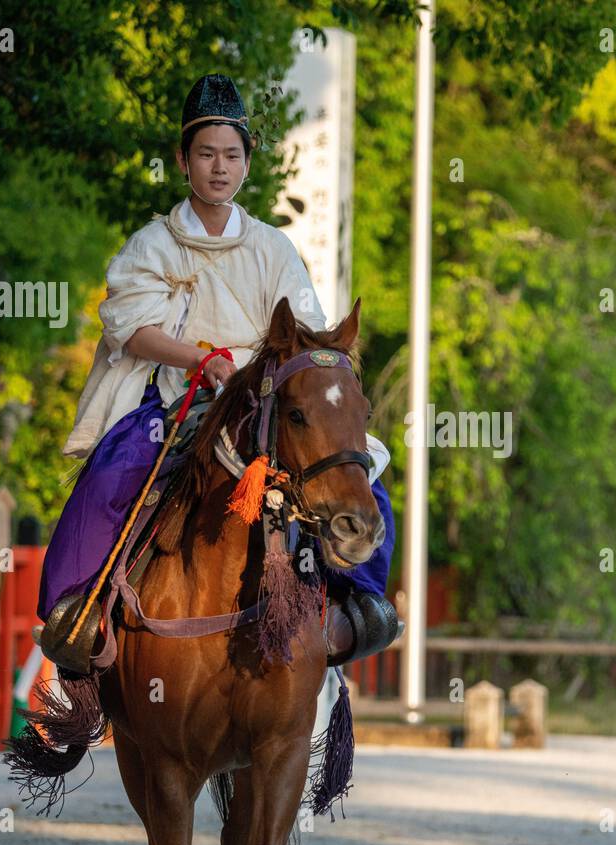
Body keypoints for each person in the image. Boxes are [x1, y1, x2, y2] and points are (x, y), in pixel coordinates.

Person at [39, 73, 398, 667]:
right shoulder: (153, 244)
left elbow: (303, 331)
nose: (219, 167)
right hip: (183, 396)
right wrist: (200, 360)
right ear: (184, 160)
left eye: (231, 155)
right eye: (206, 154)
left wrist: (269, 373)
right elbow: (128, 326)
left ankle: (360, 604)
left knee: (362, 469)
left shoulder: (273, 248)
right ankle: (81, 610)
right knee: (113, 469)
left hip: (265, 400)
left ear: (247, 164)